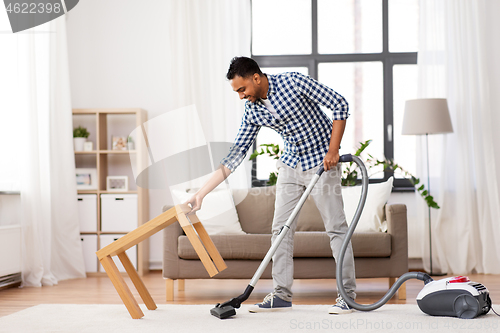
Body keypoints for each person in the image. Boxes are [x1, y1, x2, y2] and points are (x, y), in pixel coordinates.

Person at [186, 56, 356, 314]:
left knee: (336, 227)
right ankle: (281, 295)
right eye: (236, 92)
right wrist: (201, 194)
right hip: (290, 165)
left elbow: (339, 104)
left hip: (322, 162)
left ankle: (347, 296)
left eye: (242, 89)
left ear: (256, 78)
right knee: (280, 230)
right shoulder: (252, 110)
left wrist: (333, 150)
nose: (241, 96)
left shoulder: (294, 82)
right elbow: (236, 154)